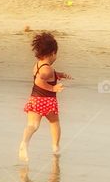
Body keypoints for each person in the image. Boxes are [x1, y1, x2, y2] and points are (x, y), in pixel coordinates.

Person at [19, 32, 71, 162]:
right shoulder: (47, 69)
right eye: (56, 54)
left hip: (35, 99)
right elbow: (39, 81)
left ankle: (24, 143)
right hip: (47, 101)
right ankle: (55, 148)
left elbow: (46, 76)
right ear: (52, 53)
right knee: (54, 123)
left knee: (32, 125)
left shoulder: (39, 65)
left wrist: (59, 74)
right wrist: (53, 88)